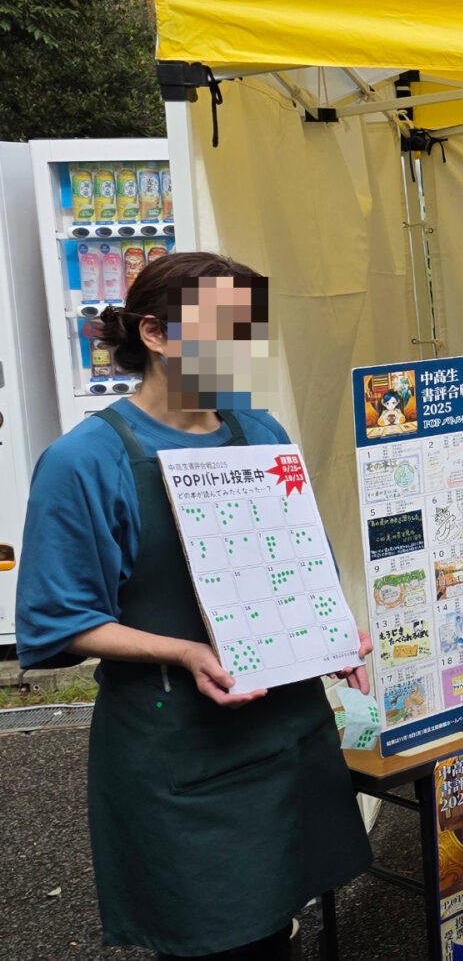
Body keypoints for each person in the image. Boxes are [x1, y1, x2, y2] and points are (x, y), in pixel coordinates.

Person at [15, 252, 373, 960]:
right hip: (179, 741)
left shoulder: (259, 433)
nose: (242, 350)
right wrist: (181, 649)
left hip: (286, 728)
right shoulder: (86, 460)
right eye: (225, 329)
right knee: (214, 935)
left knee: (278, 924)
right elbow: (63, 619)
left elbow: (300, 562)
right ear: (154, 333)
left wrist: (331, 635)